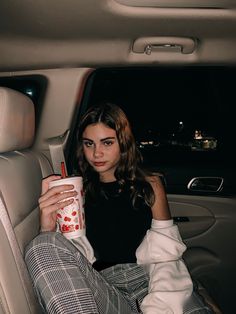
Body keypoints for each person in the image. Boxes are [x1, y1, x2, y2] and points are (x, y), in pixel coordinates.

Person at [25, 103, 213, 314]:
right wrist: (48, 229)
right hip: (101, 285)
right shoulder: (76, 190)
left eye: (107, 142)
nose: (97, 153)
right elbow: (68, 256)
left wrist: (160, 304)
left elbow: (166, 255)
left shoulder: (150, 185)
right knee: (41, 244)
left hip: (151, 281)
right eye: (89, 144)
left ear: (123, 143)